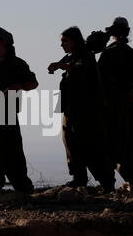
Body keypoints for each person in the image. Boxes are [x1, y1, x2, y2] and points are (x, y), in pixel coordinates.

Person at [48, 27, 115, 192]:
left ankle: (107, 183)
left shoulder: (86, 57)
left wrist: (61, 65)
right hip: (70, 110)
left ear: (75, 41)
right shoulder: (71, 57)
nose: (62, 44)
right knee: (70, 142)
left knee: (90, 146)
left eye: (65, 41)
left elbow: (77, 68)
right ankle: (79, 179)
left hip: (86, 112)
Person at [0, 26, 38, 195]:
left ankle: (23, 188)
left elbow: (33, 83)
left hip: (6, 115)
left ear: (4, 42)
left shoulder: (17, 63)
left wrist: (18, 86)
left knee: (12, 153)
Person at [98, 17, 133, 192]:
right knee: (131, 147)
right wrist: (127, 103)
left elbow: (99, 83)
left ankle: (108, 184)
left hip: (110, 107)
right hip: (128, 106)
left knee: (108, 146)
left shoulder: (107, 54)